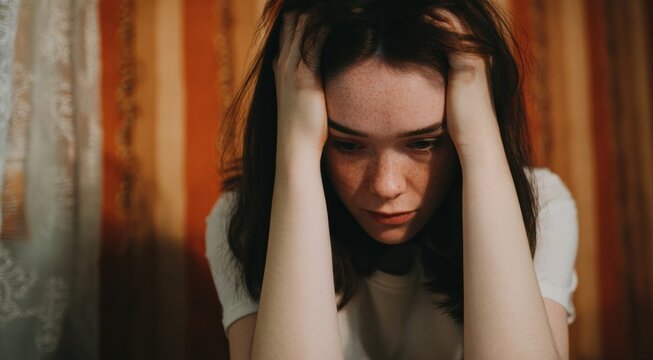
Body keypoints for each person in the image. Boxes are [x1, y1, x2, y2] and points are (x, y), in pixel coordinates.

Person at [205, 0, 578, 359]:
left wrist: (480, 140)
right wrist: (297, 151)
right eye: (347, 146)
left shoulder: (542, 206)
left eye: (424, 142)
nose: (386, 186)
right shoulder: (244, 221)